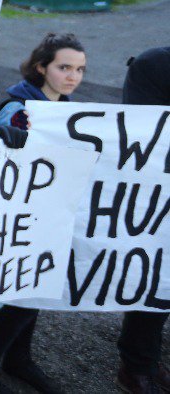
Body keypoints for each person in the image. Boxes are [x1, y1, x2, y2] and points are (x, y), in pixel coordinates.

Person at [0, 33, 87, 394]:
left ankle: (17, 358)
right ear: (41, 67)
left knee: (37, 290)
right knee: (22, 298)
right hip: (17, 219)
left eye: (80, 69)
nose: (73, 77)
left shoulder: (64, 107)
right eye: (64, 67)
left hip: (48, 214)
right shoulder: (17, 109)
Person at [116, 46, 169, 394]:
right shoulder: (154, 66)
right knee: (156, 274)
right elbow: (139, 134)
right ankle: (137, 364)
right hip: (157, 193)